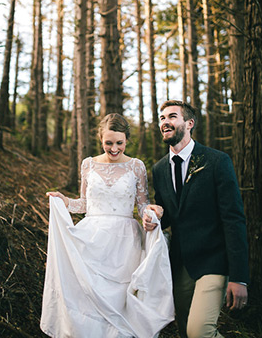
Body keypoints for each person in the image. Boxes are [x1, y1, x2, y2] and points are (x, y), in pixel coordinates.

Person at [40, 113, 174, 338]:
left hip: (124, 245)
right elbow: (83, 204)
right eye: (108, 143)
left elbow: (142, 205)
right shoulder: (88, 164)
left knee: (118, 301)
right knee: (88, 298)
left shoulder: (136, 166)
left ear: (126, 140)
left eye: (119, 143)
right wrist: (64, 201)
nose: (114, 148)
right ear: (101, 140)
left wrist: (152, 210)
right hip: (91, 240)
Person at [143, 100, 249, 338]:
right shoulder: (159, 169)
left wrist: (240, 277)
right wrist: (155, 217)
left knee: (199, 331)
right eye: (161, 118)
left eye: (172, 116)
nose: (165, 122)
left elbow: (234, 219)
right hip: (180, 264)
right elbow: (169, 215)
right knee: (184, 330)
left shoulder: (217, 161)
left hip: (214, 261)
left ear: (189, 123)